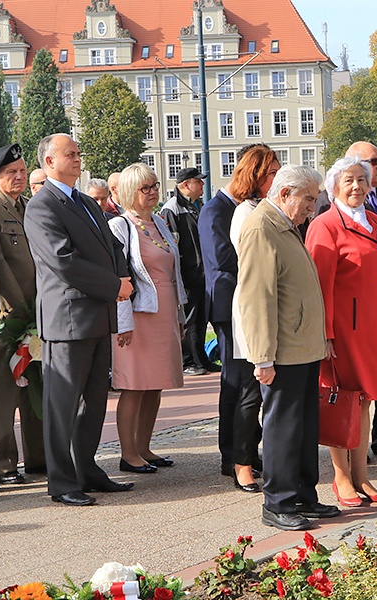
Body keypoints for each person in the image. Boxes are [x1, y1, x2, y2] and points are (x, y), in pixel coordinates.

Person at [24, 133, 134, 506]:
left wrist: (122, 280)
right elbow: (62, 261)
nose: (77, 158)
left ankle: (86, 468)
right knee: (63, 405)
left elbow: (113, 247)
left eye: (78, 152)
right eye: (68, 154)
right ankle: (62, 481)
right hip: (68, 319)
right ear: (49, 162)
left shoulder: (86, 201)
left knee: (94, 401)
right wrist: (112, 286)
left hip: (98, 314)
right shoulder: (42, 206)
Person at [237, 164, 340, 531]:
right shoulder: (262, 228)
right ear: (285, 194)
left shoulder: (284, 224)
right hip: (282, 350)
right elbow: (257, 298)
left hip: (303, 345)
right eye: (308, 199)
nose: (312, 208)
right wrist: (262, 357)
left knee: (303, 425)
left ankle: (303, 495)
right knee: (282, 427)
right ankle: (278, 501)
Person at [305, 156, 377, 506]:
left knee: (364, 401)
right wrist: (326, 333)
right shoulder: (326, 224)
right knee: (343, 399)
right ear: (334, 186)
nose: (357, 187)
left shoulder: (376, 221)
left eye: (362, 180)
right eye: (349, 180)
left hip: (375, 327)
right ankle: (342, 477)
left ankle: (363, 477)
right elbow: (320, 286)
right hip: (344, 329)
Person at [202, 144, 279, 489]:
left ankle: (245, 449)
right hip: (230, 303)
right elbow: (221, 259)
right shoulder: (216, 210)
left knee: (249, 383)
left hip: (253, 302)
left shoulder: (255, 208)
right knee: (236, 384)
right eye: (271, 173)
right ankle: (230, 454)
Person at [0, 143, 46, 484]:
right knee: (4, 390)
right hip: (7, 315)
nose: (18, 177)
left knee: (35, 386)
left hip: (34, 314)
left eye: (21, 171)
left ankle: (38, 457)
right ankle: (3, 464)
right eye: (10, 173)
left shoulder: (26, 206)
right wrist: (21, 309)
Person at [108, 163, 185, 474]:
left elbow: (174, 271)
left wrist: (180, 313)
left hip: (163, 311)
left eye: (154, 185)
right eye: (145, 188)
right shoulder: (120, 226)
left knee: (155, 384)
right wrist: (123, 321)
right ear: (130, 192)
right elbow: (120, 278)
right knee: (134, 384)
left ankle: (144, 447)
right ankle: (128, 453)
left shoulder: (160, 222)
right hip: (137, 315)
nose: (153, 191)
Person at [161, 167, 216, 376]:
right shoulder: (172, 208)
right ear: (185, 185)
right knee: (190, 318)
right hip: (188, 274)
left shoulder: (197, 205)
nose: (202, 185)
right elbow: (173, 243)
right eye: (198, 181)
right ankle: (188, 360)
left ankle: (200, 358)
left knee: (201, 317)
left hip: (202, 272)